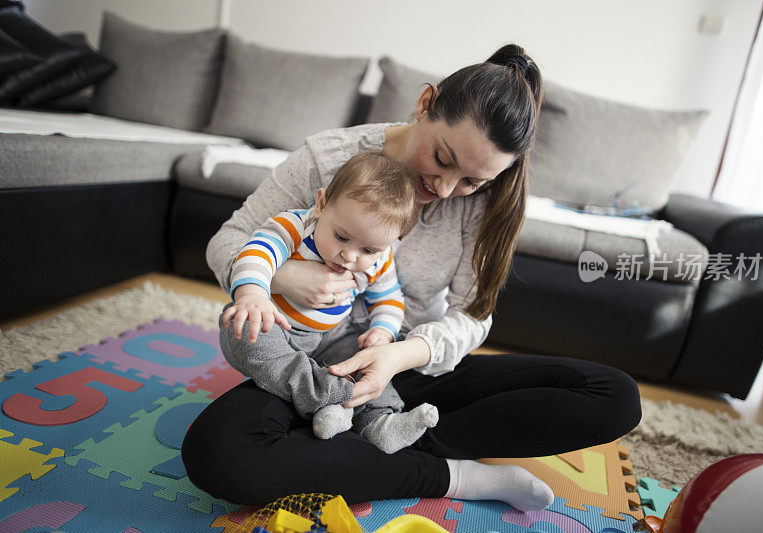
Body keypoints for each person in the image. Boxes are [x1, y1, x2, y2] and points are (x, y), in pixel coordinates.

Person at [182, 44, 641, 512]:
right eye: (442, 158)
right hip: (311, 362)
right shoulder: (329, 159)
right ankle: (450, 473)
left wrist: (398, 353)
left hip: (407, 366)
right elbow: (228, 242)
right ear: (425, 104)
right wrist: (284, 277)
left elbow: (472, 317)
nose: (444, 189)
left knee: (614, 397)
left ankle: (363, 437)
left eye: (470, 181)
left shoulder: (484, 202)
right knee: (216, 452)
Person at [220, 151, 439, 454]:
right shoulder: (295, 227)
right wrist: (253, 295)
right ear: (322, 205)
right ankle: (329, 399)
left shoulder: (379, 259)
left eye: (368, 249)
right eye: (341, 236)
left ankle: (380, 422)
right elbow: (256, 253)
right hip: (278, 326)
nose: (350, 256)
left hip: (332, 335)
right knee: (243, 329)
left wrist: (384, 331)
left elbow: (389, 297)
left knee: (367, 357)